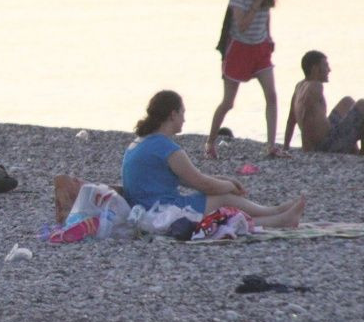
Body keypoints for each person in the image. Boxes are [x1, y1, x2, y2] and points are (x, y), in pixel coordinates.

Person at [121, 90, 304, 228]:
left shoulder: (142, 142)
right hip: (160, 211)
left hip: (145, 209)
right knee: (223, 197)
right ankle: (274, 213)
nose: (184, 119)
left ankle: (278, 217)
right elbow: (203, 184)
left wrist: (225, 180)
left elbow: (187, 178)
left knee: (222, 210)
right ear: (172, 114)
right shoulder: (165, 148)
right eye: (182, 113)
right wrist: (230, 187)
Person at [207, 0, 287, 159]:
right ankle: (210, 142)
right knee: (228, 102)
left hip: (260, 49)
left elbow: (266, 16)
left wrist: (269, 38)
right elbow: (241, 26)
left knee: (271, 95)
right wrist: (256, 3)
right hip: (239, 50)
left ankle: (271, 146)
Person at [283, 50, 364, 154]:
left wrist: (285, 147)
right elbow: (305, 118)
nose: (329, 70)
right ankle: (362, 155)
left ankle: (354, 151)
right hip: (326, 145)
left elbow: (291, 120)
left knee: (347, 101)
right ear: (315, 69)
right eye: (325, 66)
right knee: (362, 105)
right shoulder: (316, 87)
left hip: (327, 136)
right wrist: (307, 150)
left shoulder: (299, 86)